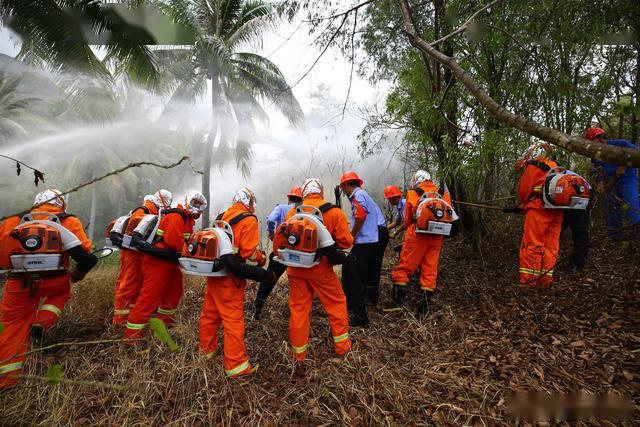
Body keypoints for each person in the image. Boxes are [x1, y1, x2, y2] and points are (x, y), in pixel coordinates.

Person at [0, 189, 97, 389]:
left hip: (20, 282)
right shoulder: (68, 221)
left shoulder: (13, 220)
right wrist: (77, 275)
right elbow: (86, 256)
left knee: (13, 326)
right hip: (55, 280)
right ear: (61, 203)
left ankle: (7, 382)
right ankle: (41, 324)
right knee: (62, 293)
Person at [199, 188, 269, 377]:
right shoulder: (248, 219)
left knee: (210, 315)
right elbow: (248, 253)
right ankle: (236, 366)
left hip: (214, 274)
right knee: (232, 321)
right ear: (249, 202)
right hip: (231, 278)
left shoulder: (222, 216)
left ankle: (206, 353)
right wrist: (261, 259)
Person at [285, 178, 353, 366]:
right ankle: (342, 348)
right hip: (320, 269)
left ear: (304, 193)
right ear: (321, 192)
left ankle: (298, 356)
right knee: (336, 303)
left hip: (295, 269)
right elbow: (346, 242)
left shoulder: (292, 211)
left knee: (299, 310)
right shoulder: (333, 212)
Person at [124, 192, 206, 341]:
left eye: (200, 207)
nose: (198, 209)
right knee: (149, 299)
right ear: (187, 202)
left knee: (174, 292)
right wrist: (195, 253)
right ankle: (132, 338)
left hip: (170, 264)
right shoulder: (177, 216)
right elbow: (175, 243)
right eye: (195, 204)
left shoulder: (187, 220)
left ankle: (163, 326)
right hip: (157, 263)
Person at [387, 170, 454, 313]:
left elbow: (408, 220)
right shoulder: (443, 192)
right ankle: (424, 308)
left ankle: (397, 304)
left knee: (404, 268)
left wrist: (401, 231)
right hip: (437, 237)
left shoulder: (413, 193)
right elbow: (450, 215)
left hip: (417, 235)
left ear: (417, 179)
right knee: (430, 270)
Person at [113, 190, 172, 325]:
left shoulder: (152, 212)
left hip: (140, 254)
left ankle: (130, 315)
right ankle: (120, 320)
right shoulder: (143, 211)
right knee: (128, 285)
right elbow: (133, 233)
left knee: (137, 286)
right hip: (133, 254)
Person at [510, 143, 563, 286]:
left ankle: (530, 282)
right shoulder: (558, 167)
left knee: (531, 245)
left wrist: (524, 204)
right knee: (551, 246)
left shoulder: (535, 165)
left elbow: (524, 191)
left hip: (539, 210)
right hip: (557, 211)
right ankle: (546, 280)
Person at [252, 186, 302, 320]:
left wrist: (272, 233)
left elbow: (270, 220)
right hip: (298, 253)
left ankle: (257, 307)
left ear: (289, 198)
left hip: (280, 251)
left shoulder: (281, 208)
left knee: (270, 279)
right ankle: (296, 313)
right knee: (298, 282)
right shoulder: (303, 210)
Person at [339, 171, 381, 327]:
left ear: (347, 185)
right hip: (370, 243)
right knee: (348, 269)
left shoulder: (358, 196)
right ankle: (351, 306)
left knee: (355, 281)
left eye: (343, 187)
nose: (343, 191)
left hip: (364, 244)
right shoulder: (364, 195)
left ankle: (361, 318)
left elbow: (361, 215)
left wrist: (351, 235)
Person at [585, 127, 640, 240]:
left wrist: (624, 165)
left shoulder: (620, 144)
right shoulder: (595, 154)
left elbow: (636, 154)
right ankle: (615, 237)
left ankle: (636, 237)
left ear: (599, 138)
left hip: (627, 179)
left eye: (592, 141)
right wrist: (600, 182)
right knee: (611, 209)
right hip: (610, 182)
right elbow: (596, 169)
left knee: (631, 206)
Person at [369, 202, 389, 306]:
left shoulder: (360, 200)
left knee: (373, 266)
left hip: (378, 233)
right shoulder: (366, 199)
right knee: (373, 266)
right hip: (380, 233)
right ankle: (371, 297)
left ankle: (371, 298)